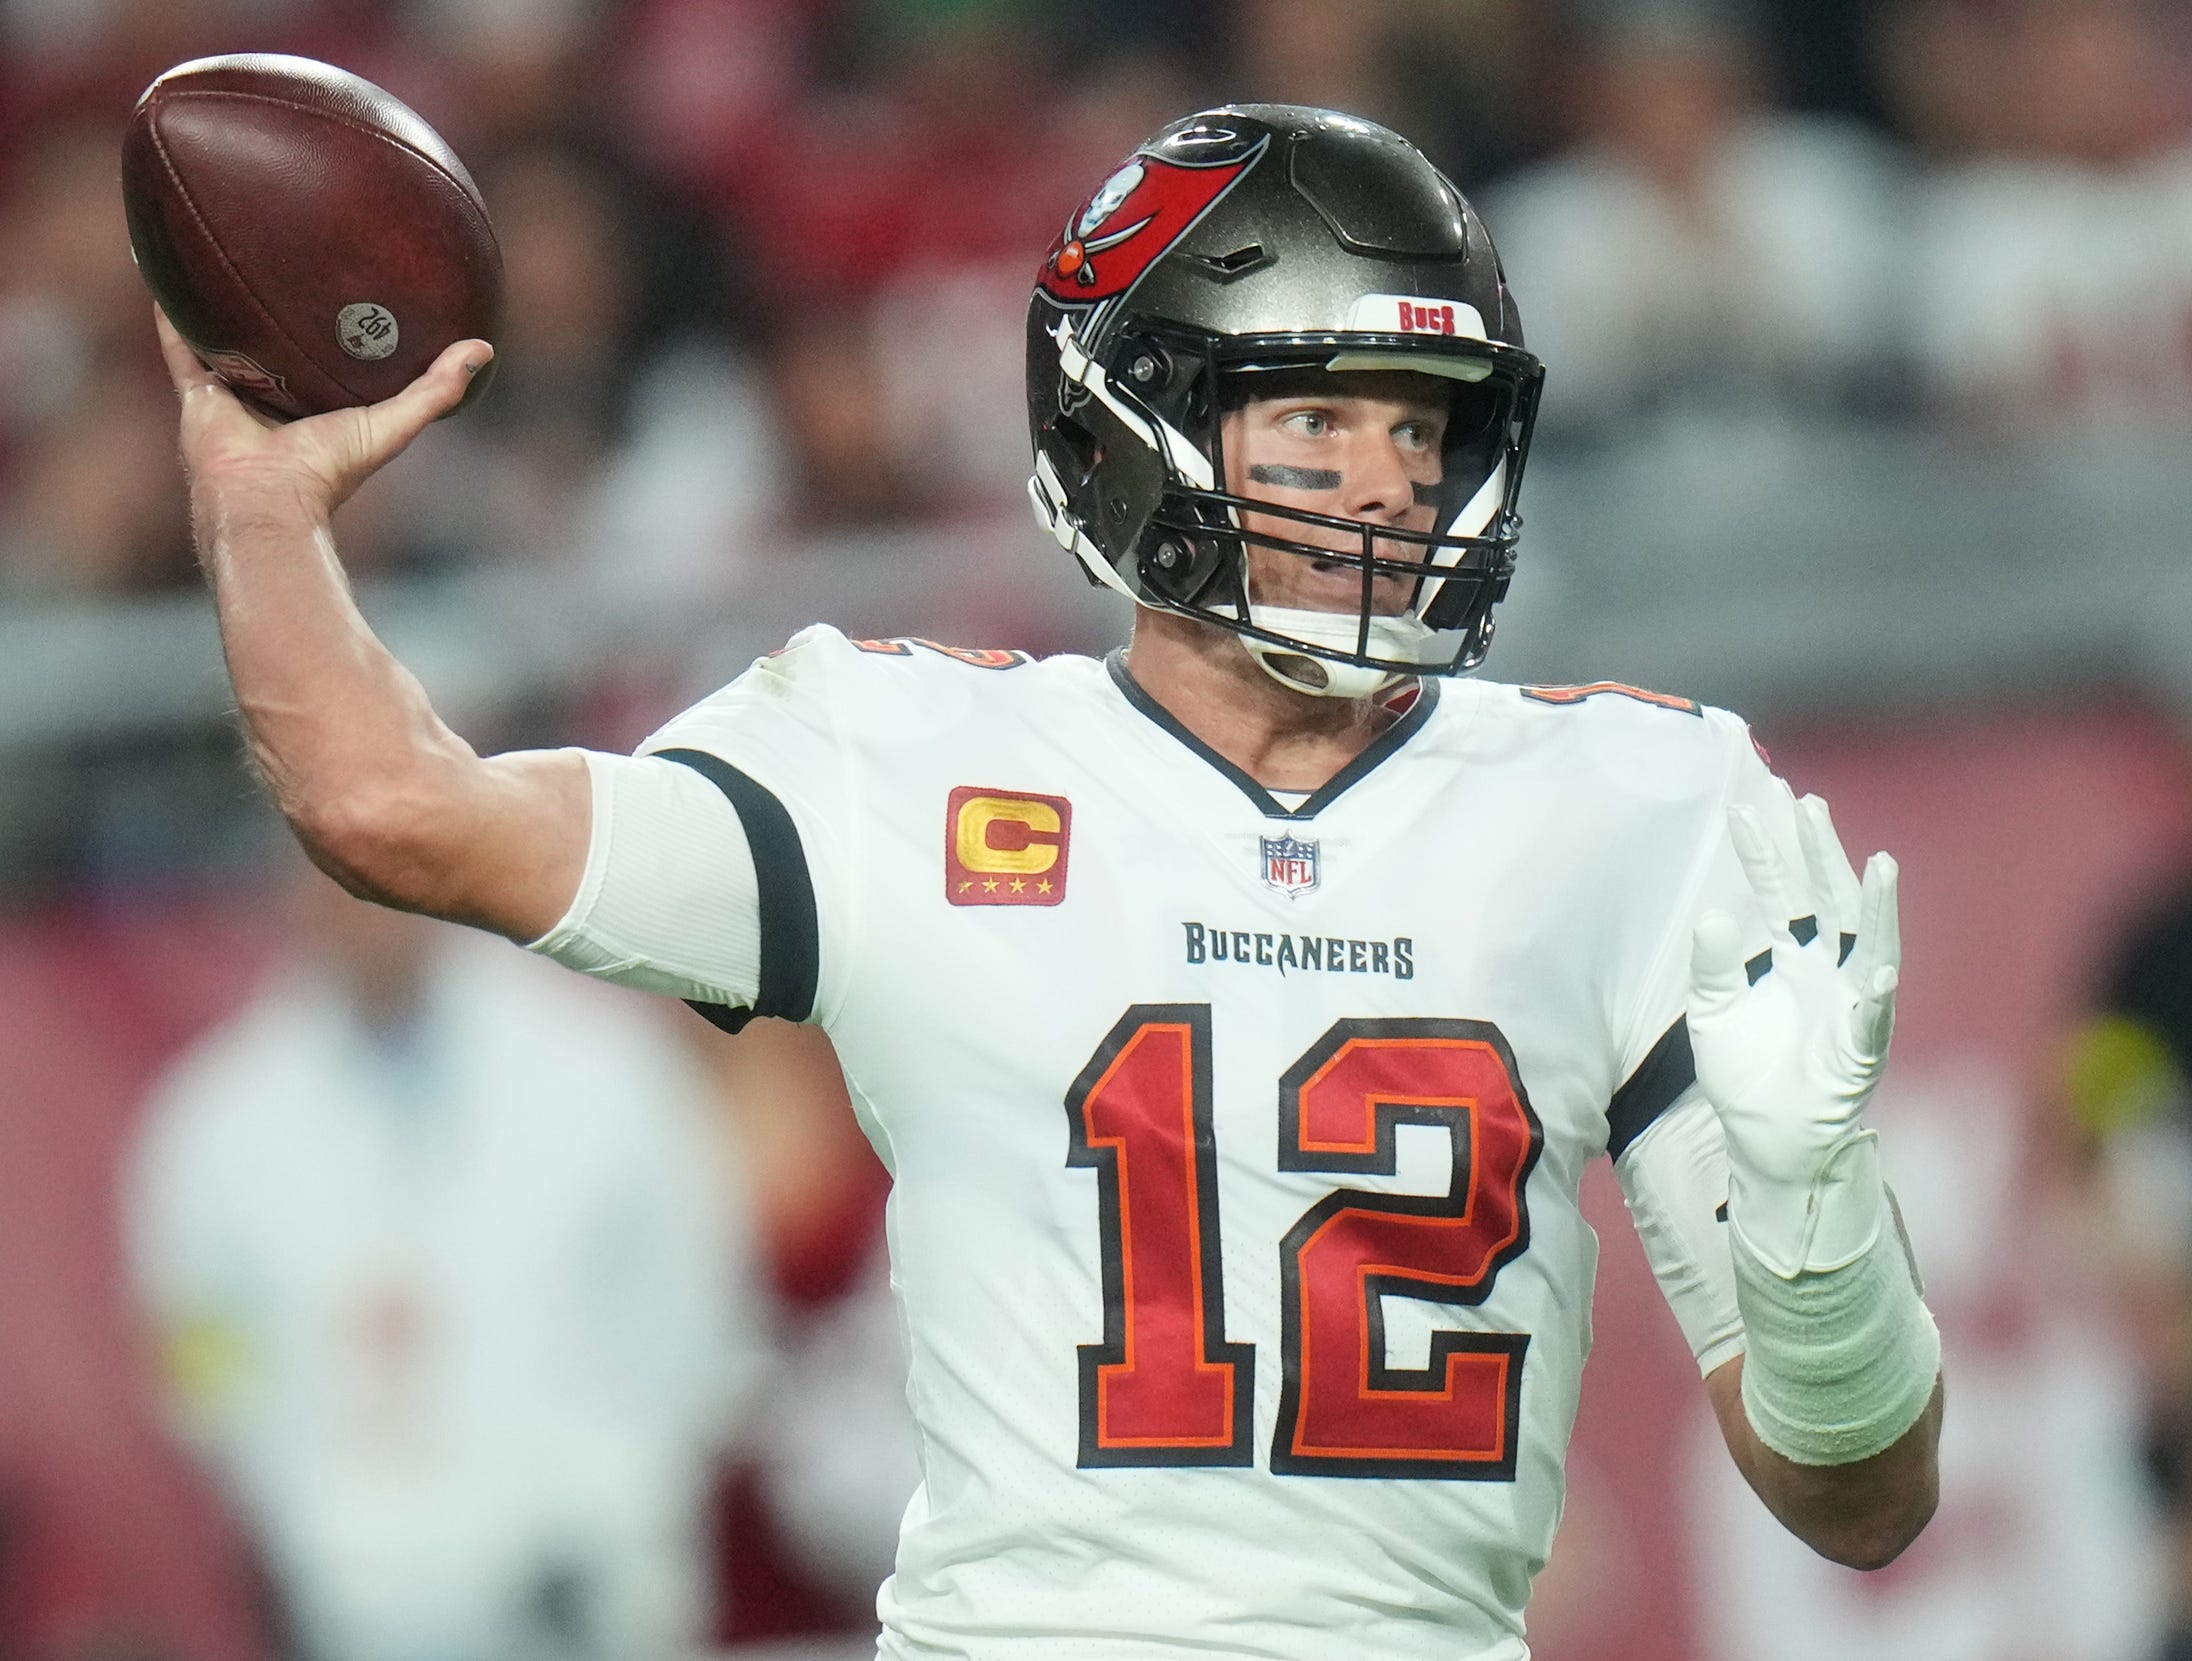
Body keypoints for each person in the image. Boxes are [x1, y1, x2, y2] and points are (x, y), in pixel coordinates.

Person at [154, 103, 1943, 1660]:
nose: (1394, 485)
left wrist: (1813, 1232)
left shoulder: (1632, 803)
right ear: (1133, 423)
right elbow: (394, 804)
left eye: (1426, 425)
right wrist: (256, 510)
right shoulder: (894, 763)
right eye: (1318, 421)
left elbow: (1858, 1501)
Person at [126, 873, 770, 1661]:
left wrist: (615, 1484)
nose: (368, 910)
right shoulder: (212, 1125)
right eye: (331, 876)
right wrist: (302, 1501)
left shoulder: (608, 1069)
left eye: (382, 876)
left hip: (588, 1589)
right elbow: (203, 1370)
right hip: (351, 1605)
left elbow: (698, 1311)